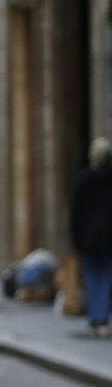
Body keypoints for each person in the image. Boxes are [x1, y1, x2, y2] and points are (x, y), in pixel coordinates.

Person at [69, 137, 112, 338]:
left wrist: (75, 238)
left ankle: (94, 318)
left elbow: (76, 213)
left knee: (92, 278)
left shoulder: (84, 180)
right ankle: (103, 319)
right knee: (105, 278)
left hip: (88, 237)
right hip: (108, 237)